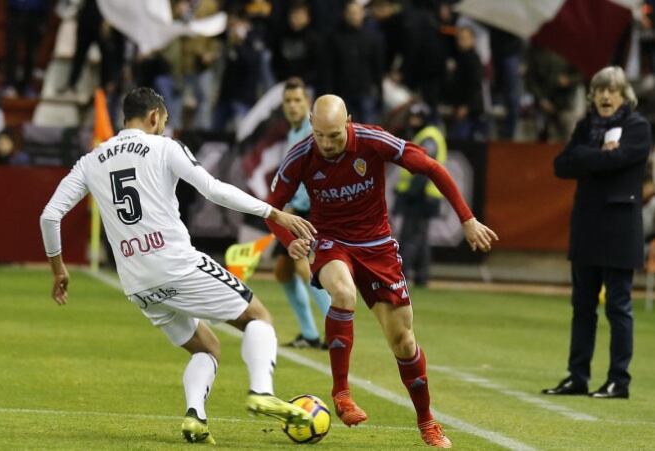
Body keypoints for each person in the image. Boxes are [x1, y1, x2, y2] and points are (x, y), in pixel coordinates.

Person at [39, 87, 316, 445]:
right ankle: (262, 391)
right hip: (176, 264)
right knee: (257, 317)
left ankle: (195, 418)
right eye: (164, 121)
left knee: (206, 347)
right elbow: (213, 189)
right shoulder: (165, 147)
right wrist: (274, 213)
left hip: (137, 282)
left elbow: (49, 216)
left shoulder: (92, 160)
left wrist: (58, 270)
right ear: (155, 117)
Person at [265, 94, 498, 448]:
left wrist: (467, 219)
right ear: (311, 127)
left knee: (404, 341)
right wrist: (289, 240)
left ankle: (427, 422)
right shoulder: (300, 155)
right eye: (320, 135)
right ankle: (342, 393)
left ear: (349, 122)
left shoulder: (373, 140)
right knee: (343, 293)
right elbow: (271, 208)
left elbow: (432, 167)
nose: (326, 144)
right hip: (330, 241)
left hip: (377, 247)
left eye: (334, 135)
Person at [544, 66, 651, 399]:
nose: (606, 96)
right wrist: (596, 157)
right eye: (601, 90)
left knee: (618, 306)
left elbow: (618, 160)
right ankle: (577, 376)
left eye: (612, 90)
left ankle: (619, 380)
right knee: (582, 306)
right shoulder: (586, 125)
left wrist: (585, 157)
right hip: (588, 224)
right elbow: (561, 165)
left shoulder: (638, 127)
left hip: (620, 227)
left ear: (624, 96)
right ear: (593, 95)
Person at [274, 78, 331, 349]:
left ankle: (335, 329)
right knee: (283, 271)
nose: (292, 106)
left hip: (310, 210)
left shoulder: (312, 132)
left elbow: (317, 174)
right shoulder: (294, 132)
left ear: (308, 102)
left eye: (297, 100)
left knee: (302, 265)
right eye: (288, 101)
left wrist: (294, 205)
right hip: (294, 211)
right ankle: (309, 334)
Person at [393, 103, 446, 287]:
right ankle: (422, 276)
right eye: (412, 117)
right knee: (420, 237)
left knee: (410, 236)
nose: (413, 121)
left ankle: (403, 274)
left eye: (417, 118)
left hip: (421, 196)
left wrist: (411, 192)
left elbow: (424, 168)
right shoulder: (427, 135)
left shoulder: (428, 136)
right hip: (426, 195)